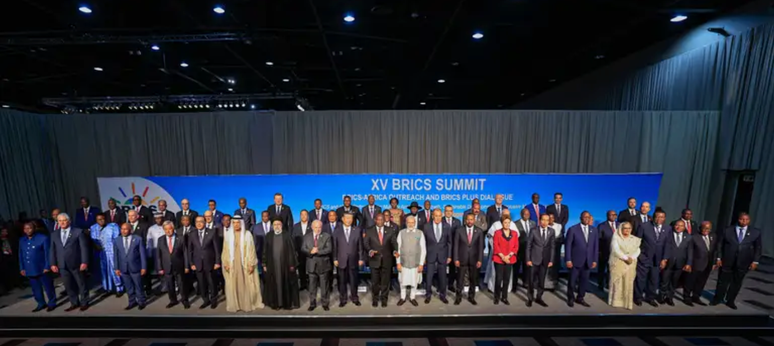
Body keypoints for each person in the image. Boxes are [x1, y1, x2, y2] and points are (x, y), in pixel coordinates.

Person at [712, 212, 761, 309]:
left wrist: (755, 261)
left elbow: (758, 248)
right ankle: (717, 298)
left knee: (737, 281)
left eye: (747, 220)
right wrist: (718, 257)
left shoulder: (755, 232)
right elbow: (719, 245)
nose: (744, 221)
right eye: (742, 219)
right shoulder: (727, 230)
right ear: (738, 219)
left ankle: (730, 300)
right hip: (727, 260)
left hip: (744, 261)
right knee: (723, 281)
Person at [222, 215, 264, 312]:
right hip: (233, 264)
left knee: (246, 283)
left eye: (238, 223)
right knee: (234, 283)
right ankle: (236, 304)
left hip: (245, 263)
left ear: (241, 223)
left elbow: (252, 250)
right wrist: (226, 263)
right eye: (234, 223)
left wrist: (251, 264)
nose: (236, 225)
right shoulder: (228, 235)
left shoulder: (247, 234)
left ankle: (246, 304)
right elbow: (225, 250)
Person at [50, 213, 90, 311]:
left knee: (81, 284)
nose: (62, 222)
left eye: (64, 220)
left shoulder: (78, 232)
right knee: (68, 285)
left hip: (76, 263)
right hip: (62, 264)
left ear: (69, 221)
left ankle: (84, 302)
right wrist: (53, 263)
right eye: (60, 221)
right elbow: (52, 250)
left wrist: (84, 261)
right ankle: (74, 302)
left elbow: (84, 248)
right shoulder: (54, 234)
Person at [633, 209, 670, 306]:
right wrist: (640, 256)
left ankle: (651, 298)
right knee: (641, 279)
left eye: (661, 217)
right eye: (657, 216)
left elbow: (667, 245)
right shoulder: (644, 226)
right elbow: (637, 242)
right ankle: (638, 297)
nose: (659, 219)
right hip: (644, 258)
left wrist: (664, 259)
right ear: (653, 217)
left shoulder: (668, 228)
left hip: (658, 260)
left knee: (654, 280)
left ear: (664, 218)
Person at [262, 219, 300, 310]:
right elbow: (265, 251)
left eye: (279, 224)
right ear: (272, 226)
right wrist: (264, 264)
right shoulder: (269, 236)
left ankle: (286, 303)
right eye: (275, 224)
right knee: (274, 284)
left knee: (286, 283)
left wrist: (292, 264)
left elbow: (292, 251)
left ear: (282, 225)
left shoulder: (286, 235)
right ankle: (275, 304)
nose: (277, 226)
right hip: (272, 265)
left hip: (285, 266)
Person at [18, 222, 56, 312]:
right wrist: (22, 268)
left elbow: (48, 254)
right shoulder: (22, 240)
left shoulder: (43, 238)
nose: (27, 230)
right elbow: (20, 255)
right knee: (35, 288)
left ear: (34, 228)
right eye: (25, 228)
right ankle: (41, 303)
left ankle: (52, 303)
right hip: (29, 268)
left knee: (48, 287)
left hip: (42, 268)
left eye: (29, 228)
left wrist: (47, 266)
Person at [565, 211, 598, 307]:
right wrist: (568, 259)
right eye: (585, 217)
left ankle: (580, 298)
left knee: (584, 282)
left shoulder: (594, 230)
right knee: (572, 282)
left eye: (589, 217)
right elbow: (568, 246)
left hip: (588, 261)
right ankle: (570, 298)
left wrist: (595, 260)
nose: (587, 219)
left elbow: (595, 246)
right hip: (575, 260)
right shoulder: (573, 229)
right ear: (581, 218)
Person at [364, 214, 398, 307]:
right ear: (375, 220)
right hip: (374, 260)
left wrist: (395, 250)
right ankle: (375, 299)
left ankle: (384, 299)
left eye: (381, 219)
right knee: (375, 282)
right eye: (378, 219)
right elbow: (366, 244)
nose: (380, 221)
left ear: (384, 220)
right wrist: (370, 250)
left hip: (387, 260)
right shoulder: (369, 230)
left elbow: (394, 242)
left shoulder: (390, 230)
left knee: (385, 282)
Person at [188, 216, 221, 309]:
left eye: (201, 222)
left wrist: (217, 262)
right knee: (202, 284)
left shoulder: (212, 232)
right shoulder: (192, 234)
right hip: (198, 264)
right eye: (197, 222)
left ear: (205, 222)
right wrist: (191, 263)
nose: (199, 223)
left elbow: (216, 249)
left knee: (212, 283)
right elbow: (190, 250)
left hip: (210, 263)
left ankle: (214, 300)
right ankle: (206, 300)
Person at [157, 220, 190, 309]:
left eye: (170, 229)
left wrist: (187, 266)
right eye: (166, 229)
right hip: (167, 266)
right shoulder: (160, 240)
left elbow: (185, 253)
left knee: (181, 285)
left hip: (179, 265)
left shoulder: (181, 238)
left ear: (173, 228)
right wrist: (160, 267)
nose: (168, 231)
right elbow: (158, 255)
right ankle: (173, 300)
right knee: (170, 285)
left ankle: (184, 300)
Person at [333, 212, 363, 307]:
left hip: (354, 260)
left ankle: (355, 298)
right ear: (342, 219)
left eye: (351, 218)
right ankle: (343, 299)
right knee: (342, 281)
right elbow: (335, 246)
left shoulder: (357, 230)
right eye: (347, 218)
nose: (349, 220)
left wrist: (361, 258)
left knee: (354, 281)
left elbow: (360, 246)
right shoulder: (337, 231)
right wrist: (335, 258)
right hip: (341, 260)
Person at [114, 222, 147, 310]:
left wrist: (143, 267)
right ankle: (132, 302)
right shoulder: (117, 240)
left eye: (125, 229)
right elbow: (116, 255)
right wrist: (116, 268)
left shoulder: (138, 239)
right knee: (128, 287)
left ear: (130, 230)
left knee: (138, 286)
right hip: (123, 268)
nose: (123, 231)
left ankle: (141, 302)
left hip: (135, 267)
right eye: (122, 229)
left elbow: (142, 254)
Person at [608, 222, 640, 310]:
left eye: (629, 228)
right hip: (618, 263)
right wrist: (625, 258)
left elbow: (637, 250)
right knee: (618, 283)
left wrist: (632, 258)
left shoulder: (635, 239)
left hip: (630, 263)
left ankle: (627, 302)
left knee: (628, 283)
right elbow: (615, 250)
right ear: (621, 229)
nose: (627, 230)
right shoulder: (616, 238)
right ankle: (616, 302)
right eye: (625, 228)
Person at [422, 209, 452, 304]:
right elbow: (423, 243)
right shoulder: (426, 227)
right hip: (430, 255)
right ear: (432, 216)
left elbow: (449, 242)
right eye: (436, 215)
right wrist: (424, 257)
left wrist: (449, 256)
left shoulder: (447, 226)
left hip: (443, 255)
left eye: (440, 216)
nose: (438, 218)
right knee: (429, 277)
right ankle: (428, 295)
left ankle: (443, 295)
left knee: (443, 277)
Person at [660, 220, 692, 306]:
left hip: (680, 263)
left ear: (684, 227)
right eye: (677, 225)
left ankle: (669, 298)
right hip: (668, 262)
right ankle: (662, 296)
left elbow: (689, 251)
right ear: (674, 226)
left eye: (681, 226)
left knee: (674, 282)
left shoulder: (688, 237)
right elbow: (665, 248)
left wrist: (688, 263)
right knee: (664, 280)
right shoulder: (668, 235)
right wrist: (664, 259)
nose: (678, 227)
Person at [684, 221, 717, 306]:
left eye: (708, 228)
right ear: (700, 228)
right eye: (704, 228)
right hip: (696, 263)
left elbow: (714, 250)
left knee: (701, 282)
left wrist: (713, 263)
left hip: (708, 264)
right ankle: (687, 297)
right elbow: (690, 251)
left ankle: (696, 296)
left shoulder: (713, 236)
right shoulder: (694, 237)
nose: (706, 230)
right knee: (690, 281)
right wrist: (689, 263)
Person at [454, 213, 484, 305]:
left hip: (474, 260)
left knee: (473, 280)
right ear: (465, 220)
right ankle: (458, 298)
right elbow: (456, 246)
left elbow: (480, 247)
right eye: (468, 219)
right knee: (460, 280)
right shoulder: (459, 230)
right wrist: (456, 259)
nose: (470, 221)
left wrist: (480, 260)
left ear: (474, 220)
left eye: (471, 219)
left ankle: (471, 297)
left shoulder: (479, 231)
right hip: (462, 259)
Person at [396, 215, 426, 307]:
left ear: (415, 223)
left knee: (414, 282)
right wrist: (398, 263)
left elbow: (423, 249)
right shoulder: (401, 233)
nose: (410, 224)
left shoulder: (420, 233)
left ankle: (412, 297)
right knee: (403, 282)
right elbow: (398, 249)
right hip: (403, 262)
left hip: (415, 263)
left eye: (412, 222)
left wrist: (421, 264)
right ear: (406, 223)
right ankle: (402, 297)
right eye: (409, 222)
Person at [525, 214, 555, 307]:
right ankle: (530, 298)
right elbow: (528, 246)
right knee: (531, 280)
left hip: (545, 260)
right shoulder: (533, 230)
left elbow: (552, 247)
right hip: (534, 260)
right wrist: (528, 259)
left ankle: (539, 298)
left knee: (541, 281)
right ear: (539, 220)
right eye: (543, 220)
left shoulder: (552, 231)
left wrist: (551, 260)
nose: (545, 222)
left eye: (547, 220)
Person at [302, 220, 332, 311]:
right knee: (312, 286)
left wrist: (317, 251)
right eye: (316, 227)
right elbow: (303, 248)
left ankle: (325, 303)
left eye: (319, 227)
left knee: (324, 286)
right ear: (312, 227)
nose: (318, 229)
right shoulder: (307, 237)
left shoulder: (327, 236)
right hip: (311, 265)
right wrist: (310, 251)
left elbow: (329, 249)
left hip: (323, 265)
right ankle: (312, 303)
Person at [485, 209, 517, 293]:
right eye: (504, 214)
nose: (506, 215)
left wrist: (509, 254)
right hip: (497, 253)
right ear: (501, 215)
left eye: (507, 214)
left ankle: (505, 291)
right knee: (496, 275)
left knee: (507, 276)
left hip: (509, 255)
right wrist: (499, 252)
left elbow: (516, 240)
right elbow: (489, 236)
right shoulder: (496, 224)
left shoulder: (512, 224)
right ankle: (494, 289)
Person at [90, 214, 122, 296]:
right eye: (99, 219)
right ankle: (108, 288)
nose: (101, 221)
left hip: (112, 251)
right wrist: (97, 247)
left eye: (103, 219)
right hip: (101, 252)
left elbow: (117, 239)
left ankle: (119, 288)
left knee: (115, 269)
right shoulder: (93, 228)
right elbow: (93, 240)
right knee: (104, 270)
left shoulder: (113, 226)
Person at [492, 216, 518, 305]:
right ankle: (496, 297)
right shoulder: (497, 233)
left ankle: (504, 297)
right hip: (499, 259)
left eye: (508, 222)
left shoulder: (514, 233)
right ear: (502, 223)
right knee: (499, 279)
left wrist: (509, 256)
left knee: (506, 279)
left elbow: (516, 246)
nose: (507, 224)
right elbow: (496, 246)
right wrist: (503, 257)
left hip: (510, 259)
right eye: (505, 222)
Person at [596, 210, 618, 290]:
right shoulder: (601, 226)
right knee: (602, 268)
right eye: (610, 215)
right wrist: (598, 251)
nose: (612, 216)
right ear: (607, 216)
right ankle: (600, 284)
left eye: (614, 215)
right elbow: (598, 239)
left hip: (616, 252)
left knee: (611, 269)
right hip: (604, 251)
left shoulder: (619, 225)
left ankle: (609, 284)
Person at [146, 212, 166, 295]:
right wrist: (149, 253)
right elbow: (149, 241)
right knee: (159, 270)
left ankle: (167, 287)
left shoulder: (167, 226)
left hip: (165, 252)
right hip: (155, 252)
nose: (158, 220)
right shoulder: (151, 229)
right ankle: (163, 286)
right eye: (156, 218)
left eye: (160, 218)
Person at [514, 208, 534, 290]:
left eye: (528, 214)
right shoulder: (516, 224)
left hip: (529, 250)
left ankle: (526, 283)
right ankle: (514, 285)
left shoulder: (533, 223)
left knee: (527, 267)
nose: (526, 215)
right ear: (521, 214)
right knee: (516, 268)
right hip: (519, 249)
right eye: (525, 214)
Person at [292, 210, 312, 291]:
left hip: (310, 251)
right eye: (302, 215)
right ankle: (303, 284)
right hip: (299, 251)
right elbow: (293, 238)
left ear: (308, 216)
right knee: (301, 268)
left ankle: (311, 284)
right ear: (300, 216)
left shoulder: (312, 225)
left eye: (305, 215)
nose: (304, 216)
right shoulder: (295, 226)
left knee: (310, 268)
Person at [546, 212, 563, 290]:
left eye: (552, 218)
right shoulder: (544, 226)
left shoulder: (558, 226)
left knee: (555, 265)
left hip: (556, 248)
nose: (551, 219)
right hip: (546, 249)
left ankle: (555, 281)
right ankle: (546, 282)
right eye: (549, 218)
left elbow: (558, 236)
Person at [1, 226, 20, 295]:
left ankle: (17, 283)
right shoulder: (2, 240)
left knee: (14, 269)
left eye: (6, 231)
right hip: (4, 258)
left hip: (11, 256)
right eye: (4, 231)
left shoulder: (9, 239)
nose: (6, 233)